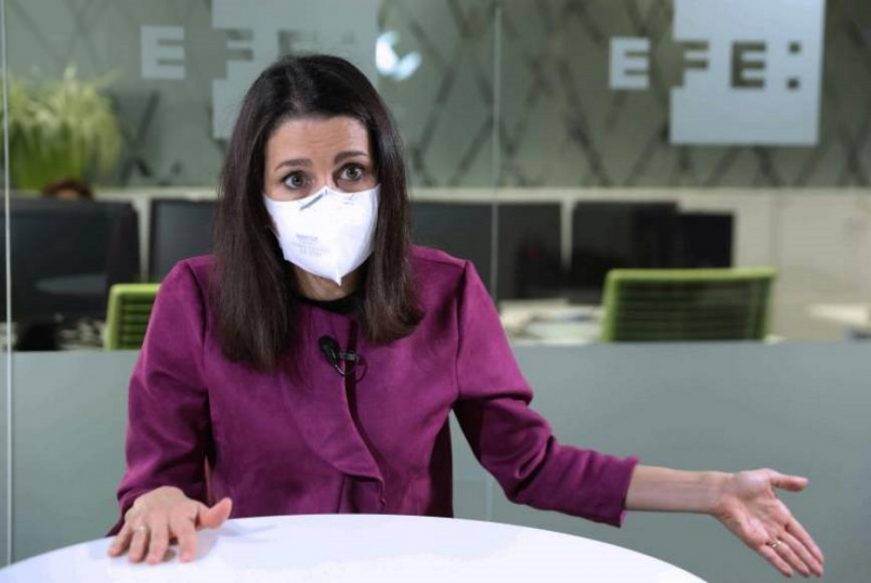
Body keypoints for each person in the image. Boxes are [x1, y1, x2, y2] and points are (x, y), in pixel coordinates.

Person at [107, 55, 823, 578]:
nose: (328, 195)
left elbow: (531, 463)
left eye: (351, 170)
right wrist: (159, 500)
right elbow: (156, 482)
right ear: (256, 194)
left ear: (383, 173)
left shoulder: (445, 290)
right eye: (296, 179)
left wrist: (711, 490)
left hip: (409, 571)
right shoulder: (195, 296)